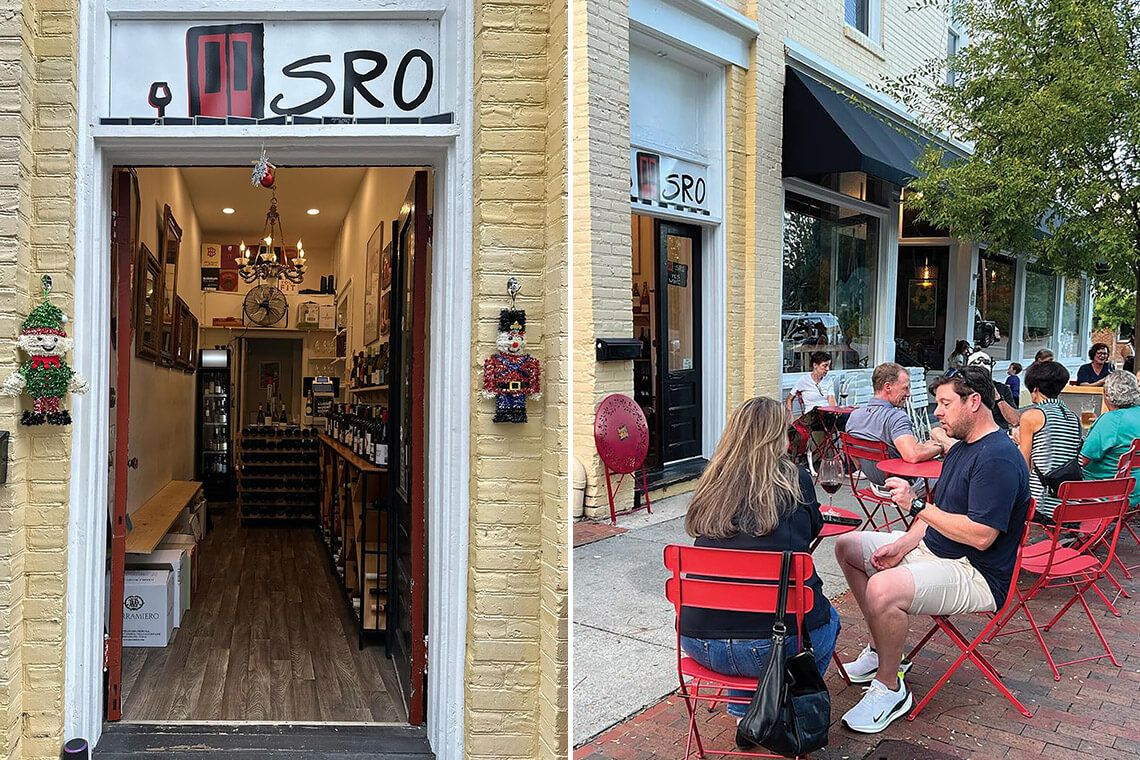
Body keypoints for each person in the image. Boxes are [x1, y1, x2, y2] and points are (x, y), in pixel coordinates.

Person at [834, 367, 1031, 733]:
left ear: (974, 401)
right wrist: (903, 543)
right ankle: (881, 650)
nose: (936, 411)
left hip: (976, 571)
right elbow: (942, 510)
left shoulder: (998, 459)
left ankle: (891, 687)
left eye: (944, 403)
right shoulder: (964, 447)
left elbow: (981, 536)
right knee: (848, 546)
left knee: (882, 588)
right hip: (935, 550)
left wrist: (915, 506)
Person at [680, 397, 841, 722]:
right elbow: (814, 528)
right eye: (786, 432)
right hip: (770, 650)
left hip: (698, 642)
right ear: (776, 437)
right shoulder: (794, 478)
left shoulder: (712, 481)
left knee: (748, 613)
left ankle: (744, 712)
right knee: (827, 620)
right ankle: (785, 713)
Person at [844, 362, 946, 492]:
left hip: (875, 486)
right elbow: (912, 455)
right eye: (905, 388)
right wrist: (940, 447)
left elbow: (857, 463)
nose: (908, 394)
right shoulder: (895, 417)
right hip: (903, 486)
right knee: (953, 478)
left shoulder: (854, 416)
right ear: (888, 387)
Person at [1016, 360, 1082, 521]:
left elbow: (1024, 465)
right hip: (1069, 505)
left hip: (1041, 505)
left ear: (1035, 389)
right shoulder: (1073, 417)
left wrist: (1019, 443)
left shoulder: (1032, 416)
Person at [1081, 370, 1140, 505]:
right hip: (1136, 488)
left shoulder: (1111, 420)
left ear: (1107, 394)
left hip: (1109, 491)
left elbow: (1083, 460)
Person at [965, 351, 1020, 430]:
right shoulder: (961, 389)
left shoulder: (1002, 389)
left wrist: (998, 398)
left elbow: (1015, 420)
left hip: (997, 434)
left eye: (984, 373)